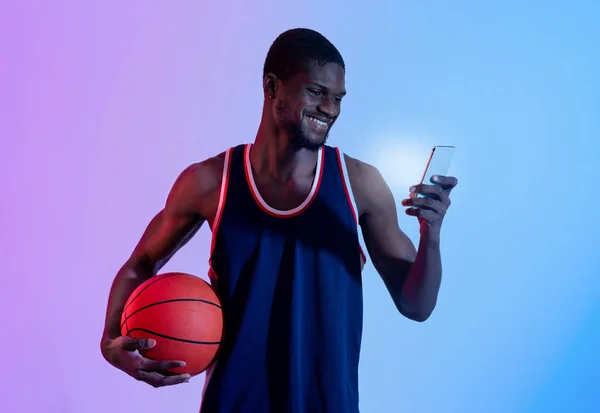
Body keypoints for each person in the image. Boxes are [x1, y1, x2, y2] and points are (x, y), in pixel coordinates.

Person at [100, 28, 458, 413]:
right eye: (317, 92)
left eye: (338, 98)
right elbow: (141, 263)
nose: (330, 109)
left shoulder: (359, 184)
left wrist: (430, 236)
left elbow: (416, 305)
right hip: (233, 404)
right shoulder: (211, 182)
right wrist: (110, 341)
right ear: (272, 86)